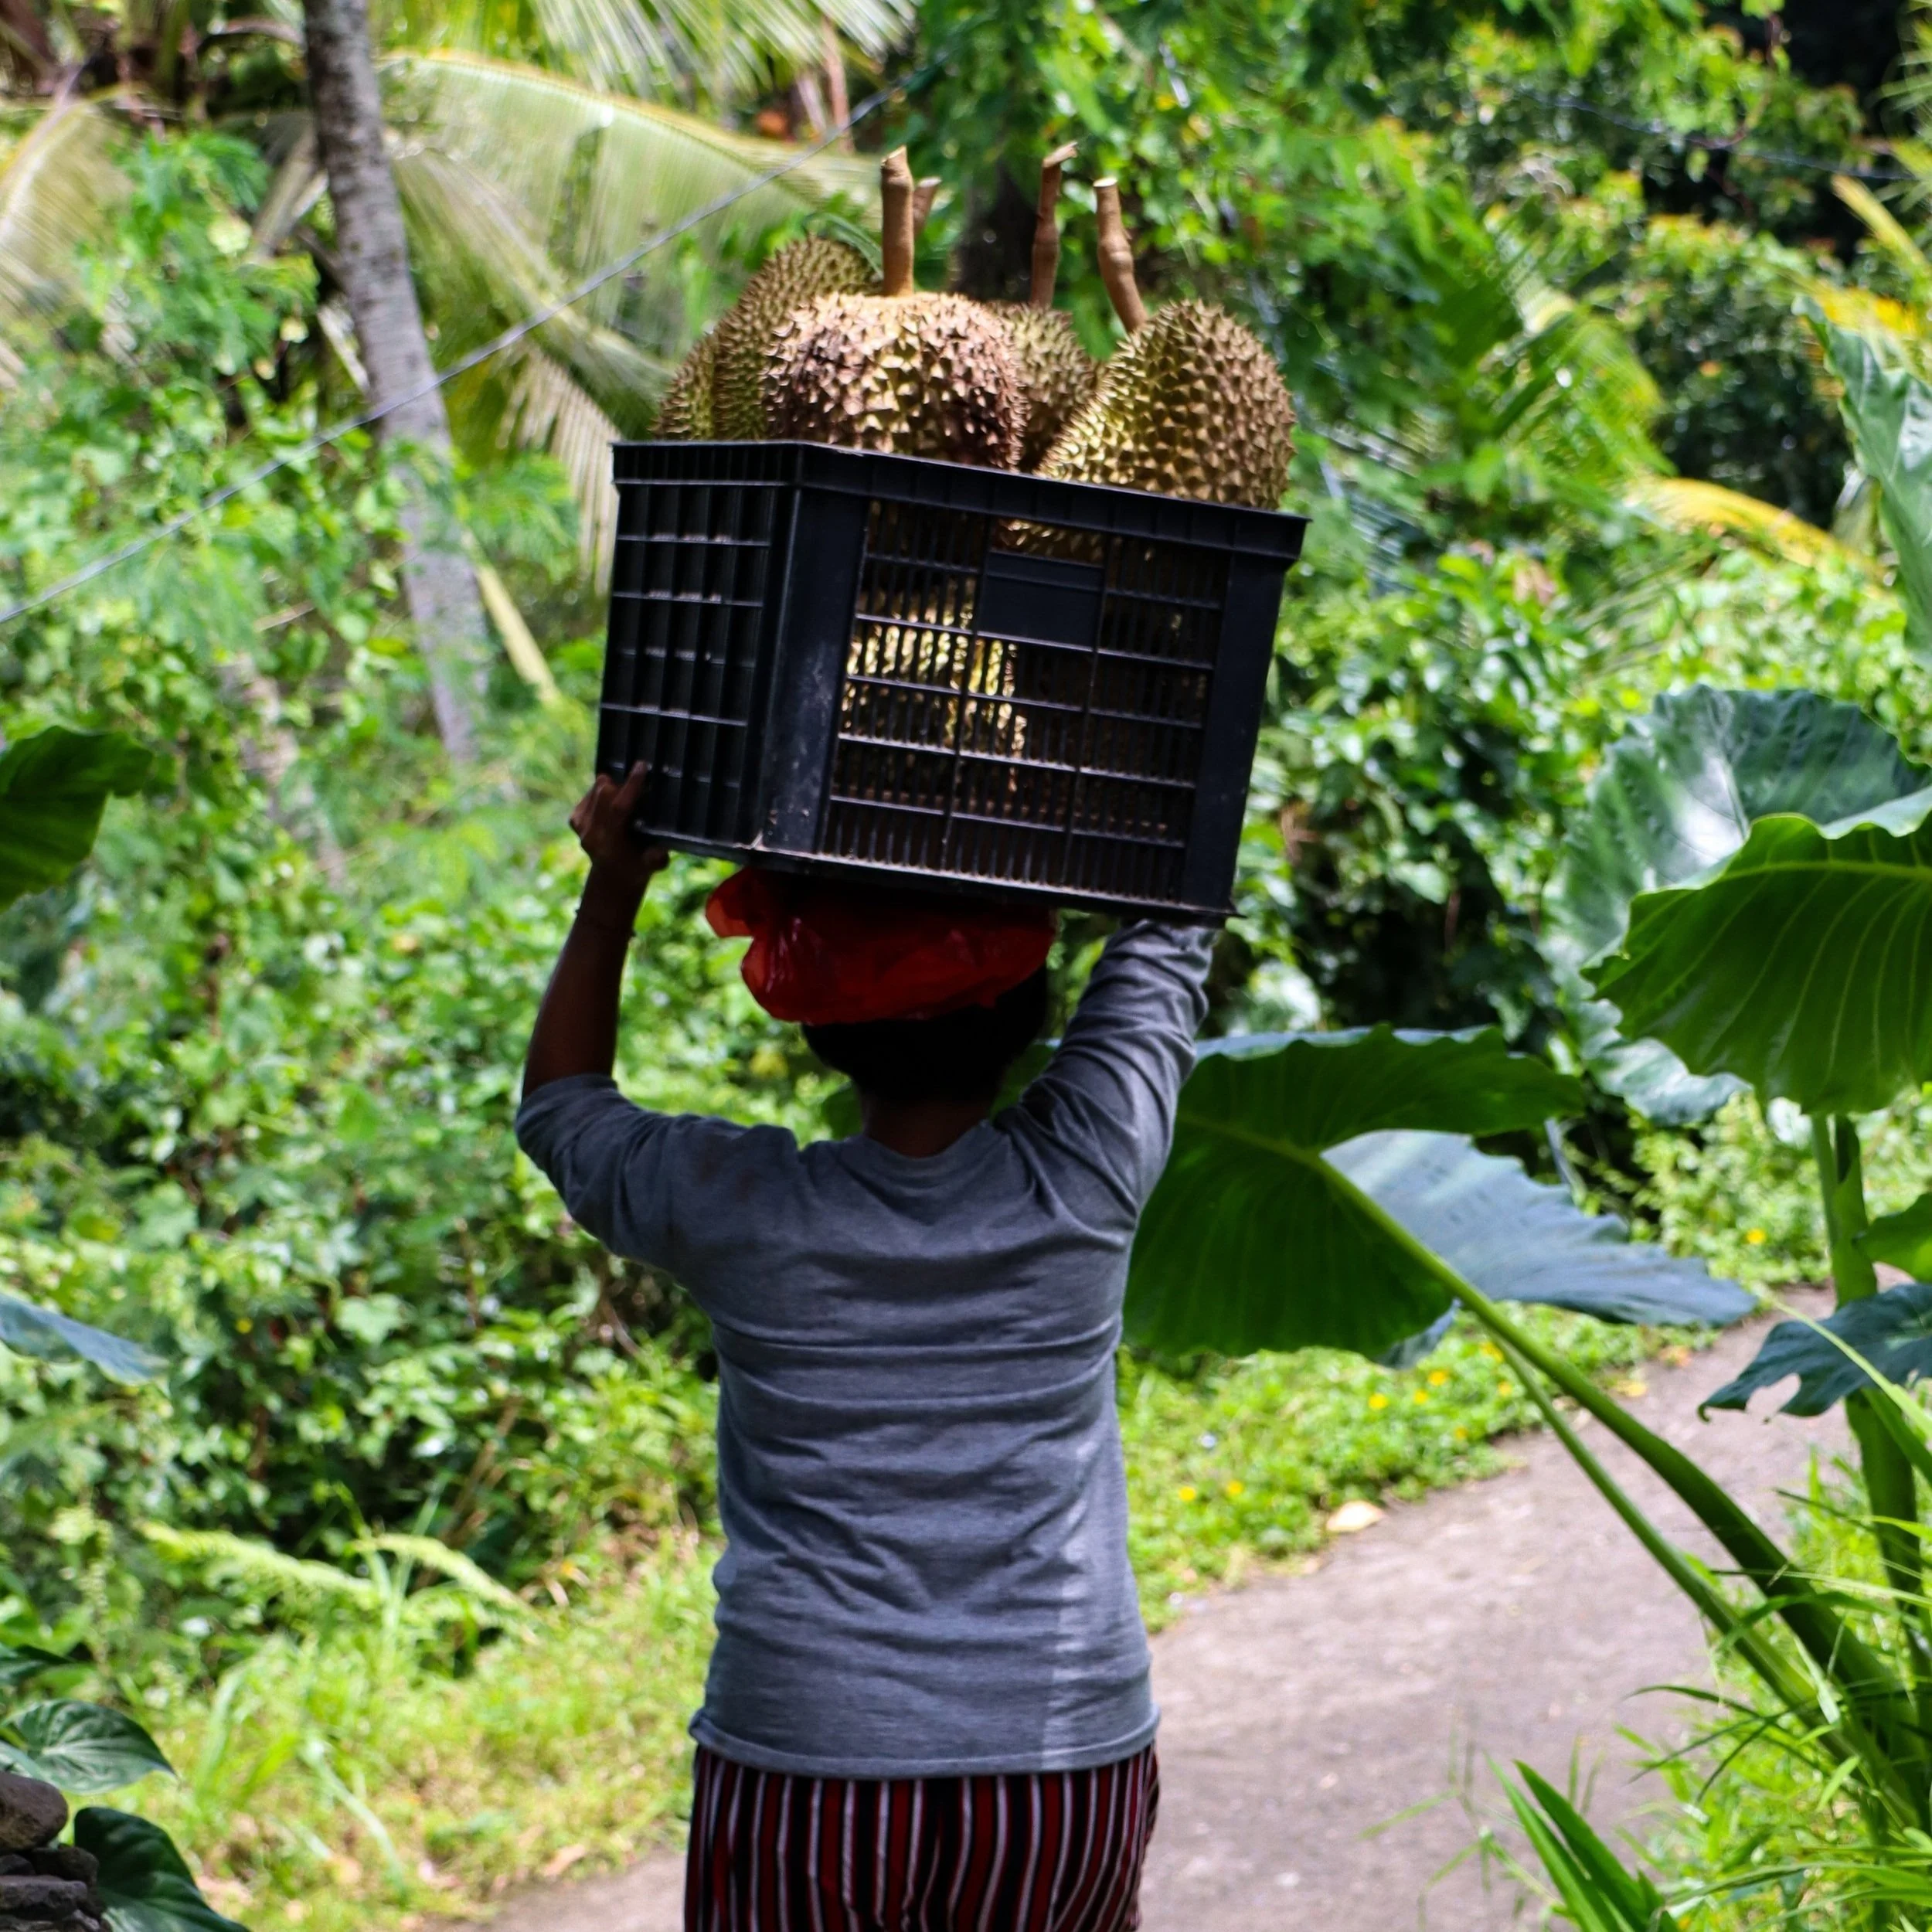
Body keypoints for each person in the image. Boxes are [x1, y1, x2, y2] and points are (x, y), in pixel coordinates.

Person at [517, 764, 1216, 1932]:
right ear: (1030, 1009)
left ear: (824, 1031)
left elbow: (564, 1109)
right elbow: (1171, 929)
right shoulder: (1085, 1179)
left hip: (810, 1753)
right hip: (1063, 1752)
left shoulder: (747, 1214)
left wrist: (613, 895)